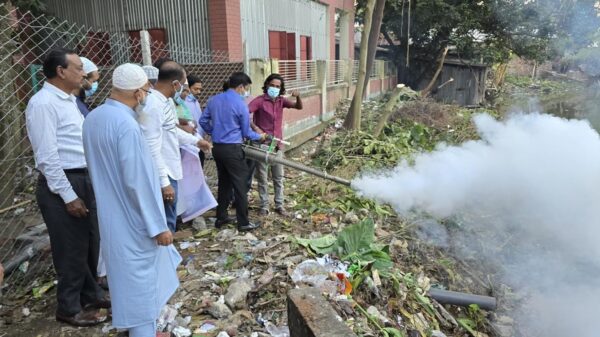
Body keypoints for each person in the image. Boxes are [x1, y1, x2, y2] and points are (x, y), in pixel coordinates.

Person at [82, 63, 181, 337]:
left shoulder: (94, 117)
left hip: (111, 215)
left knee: (124, 278)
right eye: (146, 92)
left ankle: (136, 328)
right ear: (138, 93)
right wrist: (158, 226)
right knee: (142, 284)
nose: (147, 97)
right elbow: (137, 182)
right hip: (135, 219)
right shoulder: (126, 125)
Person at [25, 47, 107, 327]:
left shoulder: (69, 100)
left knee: (90, 242)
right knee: (70, 248)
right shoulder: (43, 103)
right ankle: (68, 307)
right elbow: (47, 158)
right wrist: (69, 196)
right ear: (61, 72)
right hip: (63, 182)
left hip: (83, 177)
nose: (84, 73)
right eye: (78, 68)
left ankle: (90, 293)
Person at [140, 59, 211, 233]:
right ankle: (165, 256)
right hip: (162, 171)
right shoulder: (152, 105)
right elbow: (152, 147)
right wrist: (164, 183)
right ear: (175, 83)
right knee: (164, 223)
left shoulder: (167, 102)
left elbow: (172, 131)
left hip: (170, 168)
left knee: (170, 217)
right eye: (183, 85)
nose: (183, 90)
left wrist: (196, 141)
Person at [200, 72, 268, 232]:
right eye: (247, 88)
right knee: (240, 185)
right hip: (233, 149)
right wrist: (260, 136)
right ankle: (243, 222)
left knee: (224, 182)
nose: (246, 92)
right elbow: (246, 133)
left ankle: (221, 217)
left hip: (217, 148)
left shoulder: (213, 100)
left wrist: (215, 131)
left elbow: (203, 121)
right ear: (240, 87)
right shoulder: (240, 104)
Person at [249, 74, 302, 216]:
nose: (274, 88)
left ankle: (279, 205)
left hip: (278, 144)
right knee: (262, 177)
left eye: (278, 86)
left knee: (278, 177)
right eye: (272, 85)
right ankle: (264, 205)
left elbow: (298, 107)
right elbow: (244, 114)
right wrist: (256, 129)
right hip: (262, 144)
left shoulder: (281, 101)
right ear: (267, 85)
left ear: (281, 88)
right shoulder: (259, 101)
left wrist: (298, 97)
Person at [184, 74, 207, 167]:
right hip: (190, 142)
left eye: (200, 89)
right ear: (188, 88)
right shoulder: (184, 102)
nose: (199, 92)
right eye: (195, 89)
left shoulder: (195, 101)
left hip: (199, 139)